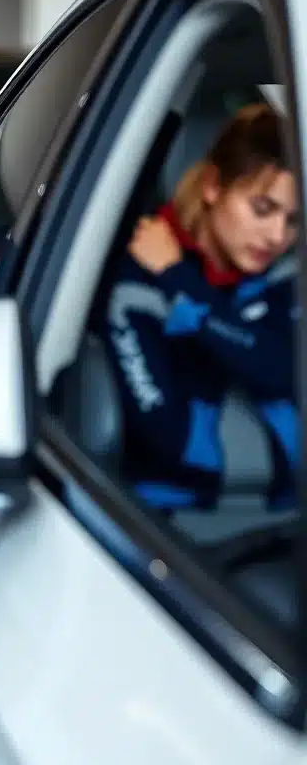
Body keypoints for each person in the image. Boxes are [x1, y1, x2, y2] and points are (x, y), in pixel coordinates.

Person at [98, 102, 299, 514]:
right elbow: (169, 438)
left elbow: (282, 369)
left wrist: (180, 281)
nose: (277, 235)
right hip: (169, 526)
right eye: (262, 208)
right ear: (212, 186)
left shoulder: (286, 278)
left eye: (293, 219)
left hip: (287, 518)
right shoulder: (136, 284)